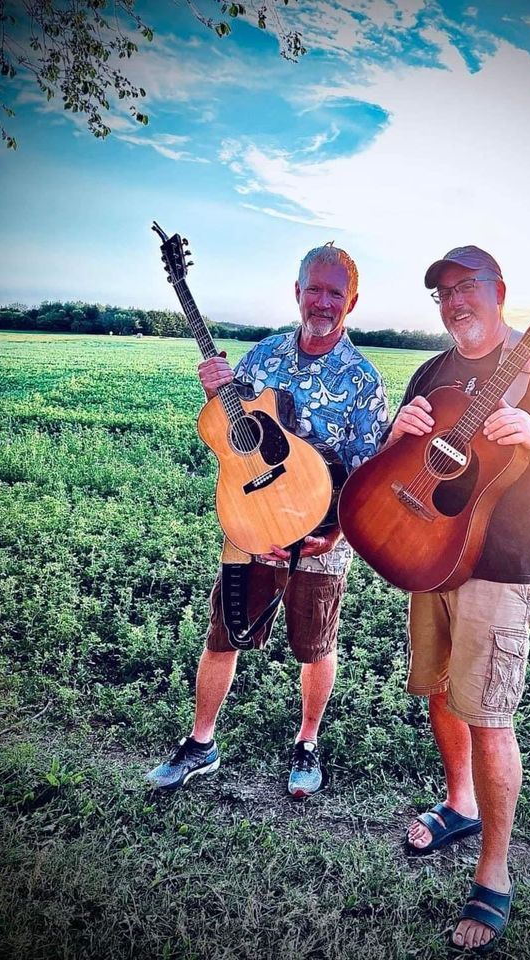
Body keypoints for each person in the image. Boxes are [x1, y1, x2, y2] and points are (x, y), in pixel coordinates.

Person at [385, 245, 530, 955]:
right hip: (429, 556)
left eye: (465, 287)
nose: (454, 302)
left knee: (488, 718)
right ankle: (460, 805)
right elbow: (397, 460)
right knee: (440, 695)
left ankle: (496, 870)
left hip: (500, 570)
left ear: (499, 290)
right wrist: (398, 434)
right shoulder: (434, 369)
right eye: (442, 293)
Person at [146, 243, 389, 798]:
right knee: (222, 634)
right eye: (314, 289)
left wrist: (327, 536)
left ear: (351, 301)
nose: (322, 301)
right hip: (251, 524)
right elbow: (234, 432)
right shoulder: (263, 356)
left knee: (315, 646)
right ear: (296, 291)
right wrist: (217, 394)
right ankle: (201, 743)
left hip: (322, 536)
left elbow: (366, 475)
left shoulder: (363, 380)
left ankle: (307, 742)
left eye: (335, 292)